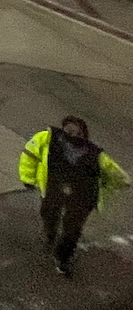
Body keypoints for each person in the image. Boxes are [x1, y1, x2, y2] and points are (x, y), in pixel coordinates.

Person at [19, 115, 128, 276]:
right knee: (49, 213)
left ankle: (62, 258)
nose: (72, 132)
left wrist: (110, 185)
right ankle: (50, 234)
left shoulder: (94, 154)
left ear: (83, 135)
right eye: (69, 128)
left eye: (77, 130)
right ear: (63, 129)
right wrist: (27, 178)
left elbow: (117, 175)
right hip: (54, 189)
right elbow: (30, 154)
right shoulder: (47, 138)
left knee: (72, 230)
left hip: (81, 197)